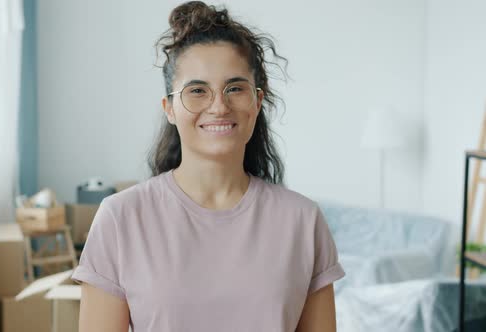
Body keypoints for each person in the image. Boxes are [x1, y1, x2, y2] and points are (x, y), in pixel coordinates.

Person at [71, 1, 345, 331]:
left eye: (235, 88)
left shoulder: (303, 221)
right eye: (197, 90)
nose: (219, 106)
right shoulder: (120, 218)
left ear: (257, 103)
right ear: (169, 108)